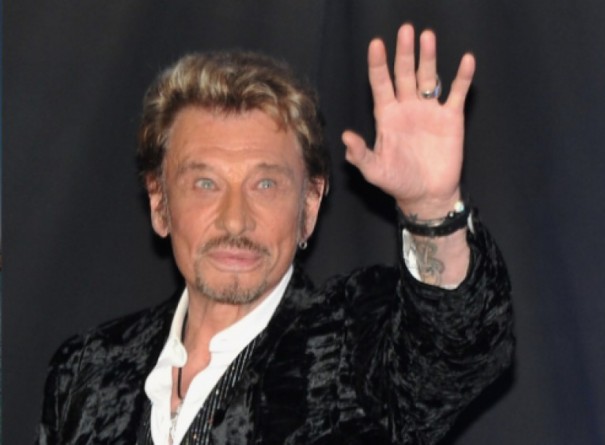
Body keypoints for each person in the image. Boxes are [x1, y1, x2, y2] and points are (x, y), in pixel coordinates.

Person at [36, 24, 513, 445]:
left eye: (265, 184)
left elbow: (456, 346)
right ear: (160, 204)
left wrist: (430, 211)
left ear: (309, 205)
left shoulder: (351, 349)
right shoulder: (88, 370)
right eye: (205, 184)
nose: (235, 221)